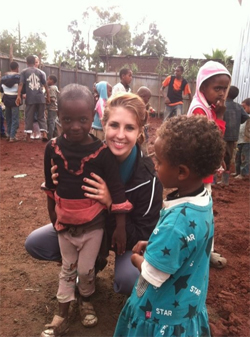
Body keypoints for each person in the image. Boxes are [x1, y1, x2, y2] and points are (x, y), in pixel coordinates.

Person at [25, 92, 163, 299]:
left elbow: (144, 236)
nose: (120, 135)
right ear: (103, 124)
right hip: (85, 228)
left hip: (124, 240)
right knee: (36, 243)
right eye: (114, 125)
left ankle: (94, 262)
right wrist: (59, 179)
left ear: (140, 131)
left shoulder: (148, 180)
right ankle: (86, 266)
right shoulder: (87, 156)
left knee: (129, 278)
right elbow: (61, 196)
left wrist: (111, 202)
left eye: (130, 128)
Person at [113, 115, 225, 337]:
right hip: (187, 307)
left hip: (160, 316)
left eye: (160, 162)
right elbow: (187, 244)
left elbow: (152, 275)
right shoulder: (203, 201)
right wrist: (156, 243)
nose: (154, 165)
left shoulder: (176, 223)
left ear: (182, 172)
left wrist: (137, 259)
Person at [40, 84, 133, 336]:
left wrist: (121, 226)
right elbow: (50, 186)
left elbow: (116, 190)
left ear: (93, 114)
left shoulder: (101, 153)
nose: (75, 126)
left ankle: (86, 301)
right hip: (64, 224)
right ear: (58, 115)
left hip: (93, 225)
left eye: (83, 119)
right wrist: (53, 216)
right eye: (67, 119)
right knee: (67, 268)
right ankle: (61, 313)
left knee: (85, 269)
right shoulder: (52, 148)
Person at [187, 60, 231, 269]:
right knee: (201, 211)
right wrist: (221, 117)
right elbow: (210, 141)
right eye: (217, 88)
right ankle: (202, 253)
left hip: (202, 171)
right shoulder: (199, 110)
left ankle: (205, 250)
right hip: (197, 173)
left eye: (225, 88)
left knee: (204, 210)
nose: (222, 93)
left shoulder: (207, 107)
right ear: (203, 86)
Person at [15, 55, 50, 142]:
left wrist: (18, 95)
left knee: (29, 117)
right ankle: (44, 134)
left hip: (30, 98)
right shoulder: (41, 72)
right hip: (40, 97)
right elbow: (45, 85)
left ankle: (28, 137)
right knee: (41, 116)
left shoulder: (24, 72)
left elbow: (21, 84)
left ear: (26, 62)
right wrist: (48, 96)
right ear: (35, 62)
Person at [222, 86, 249, 184]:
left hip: (220, 134)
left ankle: (213, 180)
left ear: (226, 93)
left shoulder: (222, 105)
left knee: (217, 156)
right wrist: (238, 121)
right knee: (228, 157)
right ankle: (225, 181)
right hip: (232, 135)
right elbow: (245, 117)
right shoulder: (239, 106)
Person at [0, 61, 22, 142]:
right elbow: (21, 89)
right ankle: (12, 136)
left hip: (6, 99)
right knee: (15, 118)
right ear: (17, 68)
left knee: (8, 118)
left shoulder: (3, 77)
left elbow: (1, 90)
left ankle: (9, 134)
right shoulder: (19, 77)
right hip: (15, 100)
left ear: (10, 68)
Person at [30, 55, 47, 139]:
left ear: (39, 63)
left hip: (39, 97)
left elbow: (44, 86)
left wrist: (42, 92)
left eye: (36, 62)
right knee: (31, 115)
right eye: (34, 62)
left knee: (40, 115)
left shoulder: (42, 73)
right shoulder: (26, 72)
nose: (35, 64)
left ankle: (40, 133)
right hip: (30, 98)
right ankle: (33, 132)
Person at [136, 86, 155, 155]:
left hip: (139, 130)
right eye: (148, 98)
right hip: (140, 131)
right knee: (143, 147)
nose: (148, 100)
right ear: (142, 96)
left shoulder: (139, 104)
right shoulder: (139, 107)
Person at [235, 98, 250, 179]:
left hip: (247, 141)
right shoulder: (242, 116)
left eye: (244, 108)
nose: (242, 110)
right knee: (238, 157)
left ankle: (244, 174)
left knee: (244, 158)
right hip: (240, 140)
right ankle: (237, 172)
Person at [45, 75, 60, 140]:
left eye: (48, 79)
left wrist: (44, 98)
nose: (47, 81)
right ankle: (55, 136)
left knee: (51, 122)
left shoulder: (52, 88)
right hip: (54, 107)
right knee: (53, 121)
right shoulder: (54, 87)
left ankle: (50, 137)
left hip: (52, 107)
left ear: (52, 81)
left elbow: (52, 99)